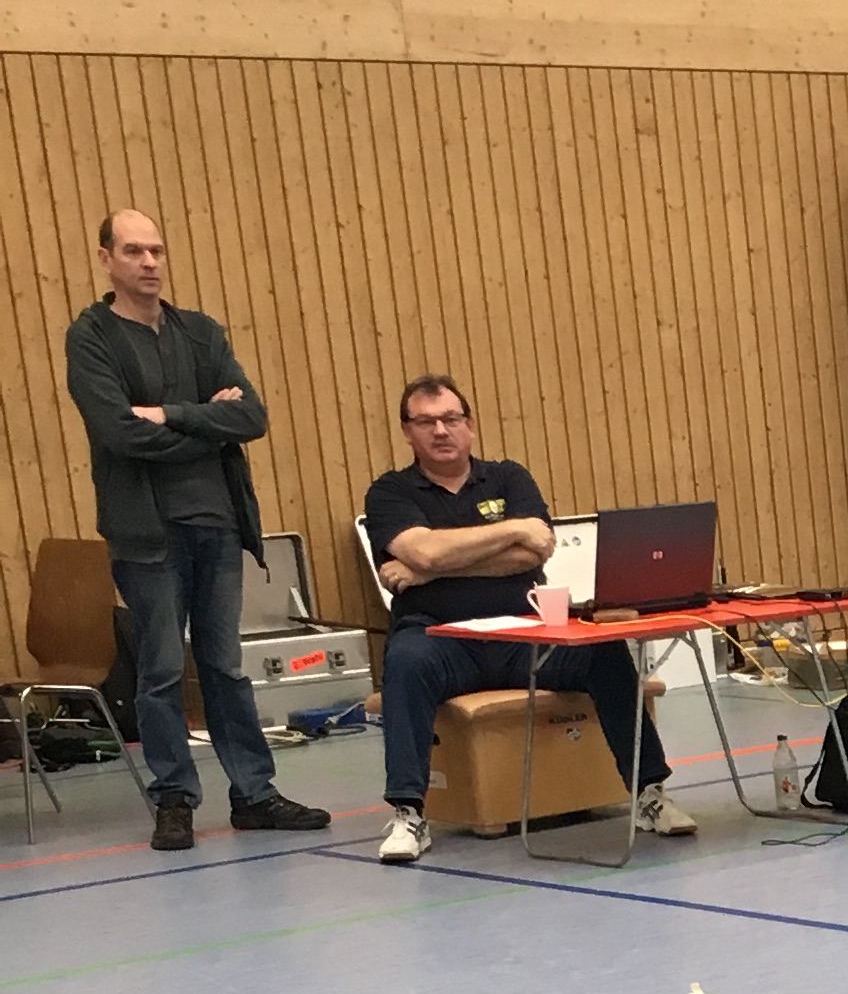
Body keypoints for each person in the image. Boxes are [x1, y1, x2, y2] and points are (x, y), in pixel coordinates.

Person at [62, 208, 327, 855]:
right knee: (158, 670)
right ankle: (174, 798)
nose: (149, 262)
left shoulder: (201, 334)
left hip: (218, 525)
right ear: (106, 259)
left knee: (225, 668)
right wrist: (207, 424)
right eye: (133, 251)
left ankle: (254, 793)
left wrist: (169, 414)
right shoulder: (92, 337)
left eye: (156, 250)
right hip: (148, 535)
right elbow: (120, 432)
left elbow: (252, 418)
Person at [363, 377, 696, 862]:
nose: (440, 430)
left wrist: (431, 567)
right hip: (439, 637)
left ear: (470, 425)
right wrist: (506, 531)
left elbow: (533, 551)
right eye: (426, 421)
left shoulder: (508, 478)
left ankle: (648, 793)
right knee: (405, 663)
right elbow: (426, 551)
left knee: (602, 650)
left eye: (451, 419)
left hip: (524, 632)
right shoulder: (390, 492)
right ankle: (409, 813)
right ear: (407, 431)